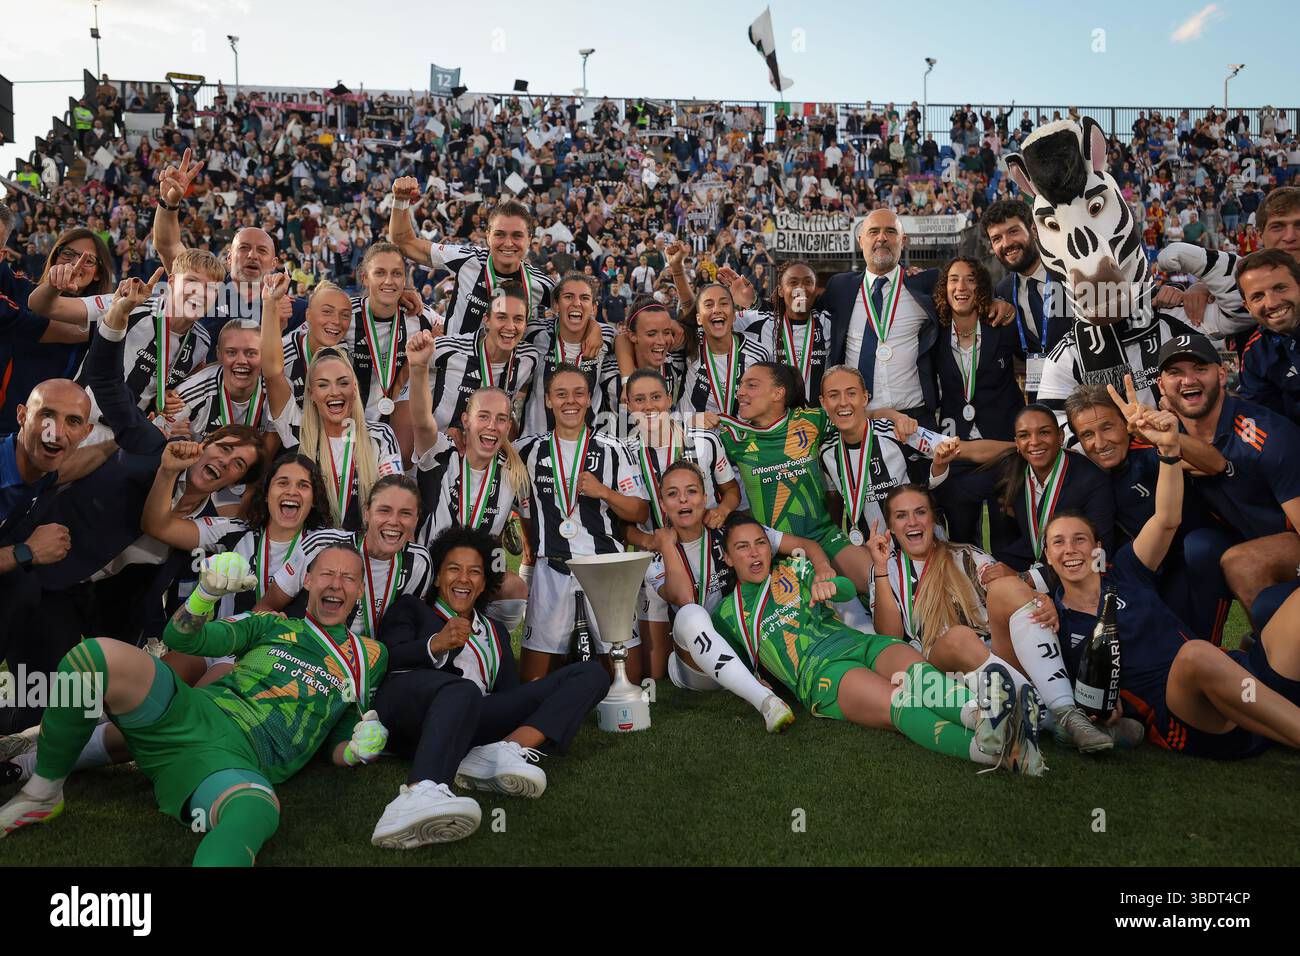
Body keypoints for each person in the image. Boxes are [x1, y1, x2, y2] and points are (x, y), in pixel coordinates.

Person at [0, 547, 390, 864]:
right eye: (326, 573)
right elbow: (182, 639)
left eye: (348, 577)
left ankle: (37, 756)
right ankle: (43, 790)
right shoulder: (272, 624)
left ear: (359, 590)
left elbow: (337, 738)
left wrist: (356, 751)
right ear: (307, 581)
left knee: (255, 810)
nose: (335, 584)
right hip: (188, 713)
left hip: (236, 757)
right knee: (90, 658)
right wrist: (206, 594)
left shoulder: (368, 655)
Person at [683, 511, 1045, 774]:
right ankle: (996, 753)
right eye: (742, 548)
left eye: (760, 543)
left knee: (919, 675)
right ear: (728, 558)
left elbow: (842, 588)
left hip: (856, 642)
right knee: (902, 704)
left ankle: (990, 721)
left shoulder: (792, 569)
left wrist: (829, 584)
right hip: (820, 673)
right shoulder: (726, 616)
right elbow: (723, 664)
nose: (755, 553)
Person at [1039, 413, 1300, 758]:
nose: (1070, 549)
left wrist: (1169, 451)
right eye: (1058, 542)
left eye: (1079, 539)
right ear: (1047, 554)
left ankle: (1276, 711)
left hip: (1239, 678)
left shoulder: (1124, 571)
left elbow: (1166, 518)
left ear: (1097, 547)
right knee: (1194, 654)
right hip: (1186, 714)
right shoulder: (1056, 621)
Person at [370, 526, 610, 849]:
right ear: (438, 577)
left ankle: (502, 751)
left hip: (475, 718)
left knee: (591, 673)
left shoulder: (494, 631)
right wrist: (435, 644)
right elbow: (389, 658)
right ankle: (416, 794)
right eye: (454, 569)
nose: (464, 579)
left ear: (484, 583)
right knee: (462, 690)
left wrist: (535, 696)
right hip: (414, 713)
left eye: (474, 572)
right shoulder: (413, 609)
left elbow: (507, 696)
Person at [868, 484, 1119, 753]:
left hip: (1000, 664)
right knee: (959, 638)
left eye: (920, 512)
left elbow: (1013, 591)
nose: (913, 522)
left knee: (1004, 585)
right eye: (901, 516)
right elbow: (890, 639)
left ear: (934, 519)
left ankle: (1066, 713)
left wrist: (1039, 598)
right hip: (944, 670)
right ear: (891, 527)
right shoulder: (887, 569)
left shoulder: (966, 554)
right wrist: (880, 569)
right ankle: (1057, 720)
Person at [644, 459, 822, 725]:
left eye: (692, 491)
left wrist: (824, 571)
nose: (683, 500)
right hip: (696, 666)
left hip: (745, 644)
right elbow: (684, 599)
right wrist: (669, 547)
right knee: (690, 614)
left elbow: (804, 545)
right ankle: (765, 701)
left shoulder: (732, 533)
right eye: (672, 494)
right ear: (662, 505)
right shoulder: (656, 559)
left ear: (706, 498)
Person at [720, 361, 911, 603]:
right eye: (740, 385)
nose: (740, 392)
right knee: (814, 612)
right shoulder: (732, 435)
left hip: (824, 537)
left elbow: (861, 414)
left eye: (751, 385)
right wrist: (699, 422)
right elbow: (664, 427)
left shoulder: (810, 421)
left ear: (778, 393)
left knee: (885, 583)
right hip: (775, 550)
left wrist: (895, 416)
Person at [1064, 380, 1231, 643]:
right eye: (1087, 435)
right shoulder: (1087, 474)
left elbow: (1216, 464)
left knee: (1199, 552)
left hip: (1190, 555)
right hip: (1146, 565)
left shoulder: (1149, 451)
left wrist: (1169, 441)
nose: (1099, 442)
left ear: (1126, 424)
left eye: (1107, 427)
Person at [513, 365, 650, 682]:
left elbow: (640, 512)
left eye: (578, 393)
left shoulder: (613, 450)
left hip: (605, 567)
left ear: (589, 399)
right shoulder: (528, 450)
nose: (570, 401)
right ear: (548, 400)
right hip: (553, 569)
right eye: (561, 394)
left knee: (625, 680)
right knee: (534, 682)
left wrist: (604, 492)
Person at [1155, 333, 1300, 629]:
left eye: (1200, 369)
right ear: (1161, 385)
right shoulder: (1167, 430)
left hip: (1292, 539)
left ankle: (1275, 657)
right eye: (1175, 373)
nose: (1188, 380)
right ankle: (1209, 653)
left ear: (1222, 374)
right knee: (1198, 547)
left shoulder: (1268, 435)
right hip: (1243, 535)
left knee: (1242, 563)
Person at [261, 272, 403, 530]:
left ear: (355, 389)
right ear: (311, 395)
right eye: (323, 385)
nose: (334, 392)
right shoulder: (297, 428)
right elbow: (272, 371)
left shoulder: (380, 436)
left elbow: (394, 500)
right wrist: (270, 306)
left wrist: (407, 297)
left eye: (343, 383)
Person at [938, 403, 1115, 580]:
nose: (1035, 441)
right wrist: (939, 466)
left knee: (1003, 586)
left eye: (1044, 432)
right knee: (974, 576)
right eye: (1024, 435)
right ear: (1016, 443)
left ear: (1060, 436)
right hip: (1028, 557)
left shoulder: (1092, 480)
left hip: (1075, 570)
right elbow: (956, 493)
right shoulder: (1014, 466)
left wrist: (1025, 578)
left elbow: (1099, 556)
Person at [256, 475, 432, 636]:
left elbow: (404, 627)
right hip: (304, 653)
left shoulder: (419, 563)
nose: (394, 521)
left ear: (416, 519)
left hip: (367, 661)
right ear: (366, 513)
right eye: (384, 510)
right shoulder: (322, 544)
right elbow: (265, 606)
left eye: (405, 513)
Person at [388, 178, 555, 337]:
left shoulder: (541, 284)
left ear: (530, 240)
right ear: (488, 236)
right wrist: (401, 200)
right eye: (500, 234)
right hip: (454, 364)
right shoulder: (468, 259)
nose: (508, 243)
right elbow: (405, 242)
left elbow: (577, 311)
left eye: (517, 236)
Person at [342, 242, 435, 460]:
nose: (389, 281)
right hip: (349, 434)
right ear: (364, 277)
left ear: (405, 279)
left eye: (396, 274)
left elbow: (462, 336)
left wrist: (439, 336)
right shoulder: (345, 317)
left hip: (395, 440)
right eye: (380, 273)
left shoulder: (421, 317)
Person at [429, 281, 538, 438]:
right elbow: (411, 368)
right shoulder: (448, 348)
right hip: (438, 455)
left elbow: (524, 387)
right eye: (501, 317)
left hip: (489, 454)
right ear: (487, 320)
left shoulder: (529, 358)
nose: (510, 326)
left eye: (518, 319)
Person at [983, 199, 1069, 387]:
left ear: (1034, 230)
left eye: (1013, 231)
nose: (1006, 244)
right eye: (996, 238)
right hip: (1040, 396)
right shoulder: (1002, 292)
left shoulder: (1068, 274)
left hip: (1085, 398)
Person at [522, 273, 612, 436]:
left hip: (586, 446)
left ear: (594, 308)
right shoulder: (534, 332)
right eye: (568, 297)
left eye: (584, 298)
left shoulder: (607, 336)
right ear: (556, 305)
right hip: (535, 445)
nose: (576, 303)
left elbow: (626, 341)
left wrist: (594, 326)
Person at [734, 260, 832, 402]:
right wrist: (728, 298)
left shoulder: (828, 323)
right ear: (780, 290)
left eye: (808, 282)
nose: (801, 288)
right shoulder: (761, 321)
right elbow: (713, 321)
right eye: (793, 282)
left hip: (817, 421)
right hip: (775, 422)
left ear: (816, 289)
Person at [676, 283, 771, 417]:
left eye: (724, 303)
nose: (717, 310)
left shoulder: (758, 355)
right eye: (709, 305)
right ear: (698, 318)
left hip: (741, 435)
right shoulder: (692, 342)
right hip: (694, 433)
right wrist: (677, 270)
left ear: (734, 315)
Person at [1235, 250, 1300, 424]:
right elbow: (1266, 422)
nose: (1272, 303)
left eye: (1280, 288)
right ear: (1247, 306)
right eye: (1258, 296)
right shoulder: (1255, 354)